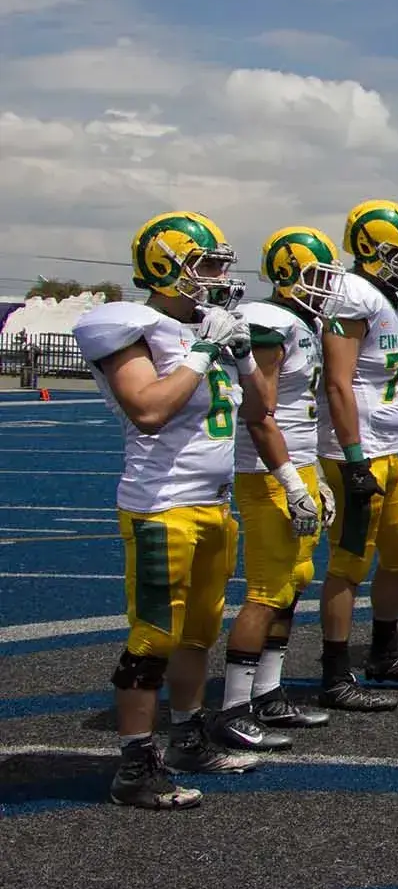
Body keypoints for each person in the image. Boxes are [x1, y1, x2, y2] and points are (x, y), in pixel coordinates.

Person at [73, 211, 266, 808]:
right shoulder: (132, 327)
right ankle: (135, 766)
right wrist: (203, 353)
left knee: (198, 632)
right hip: (161, 507)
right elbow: (149, 410)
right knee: (154, 636)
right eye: (204, 264)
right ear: (164, 268)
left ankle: (188, 738)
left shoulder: (209, 325)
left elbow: (258, 411)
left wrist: (244, 357)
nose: (216, 275)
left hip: (213, 505)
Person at [218, 226, 348, 750]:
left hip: (295, 467)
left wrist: (313, 473)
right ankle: (232, 706)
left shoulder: (301, 321)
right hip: (269, 474)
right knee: (267, 591)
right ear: (287, 272)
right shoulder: (269, 320)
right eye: (317, 275)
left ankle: (268, 692)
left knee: (293, 581)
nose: (325, 286)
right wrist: (291, 478)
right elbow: (259, 410)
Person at [315, 199, 398, 710]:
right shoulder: (352, 294)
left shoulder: (382, 296)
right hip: (357, 453)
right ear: (369, 249)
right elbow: (338, 382)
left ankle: (384, 654)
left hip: (388, 450)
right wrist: (352, 457)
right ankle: (335, 673)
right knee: (348, 565)